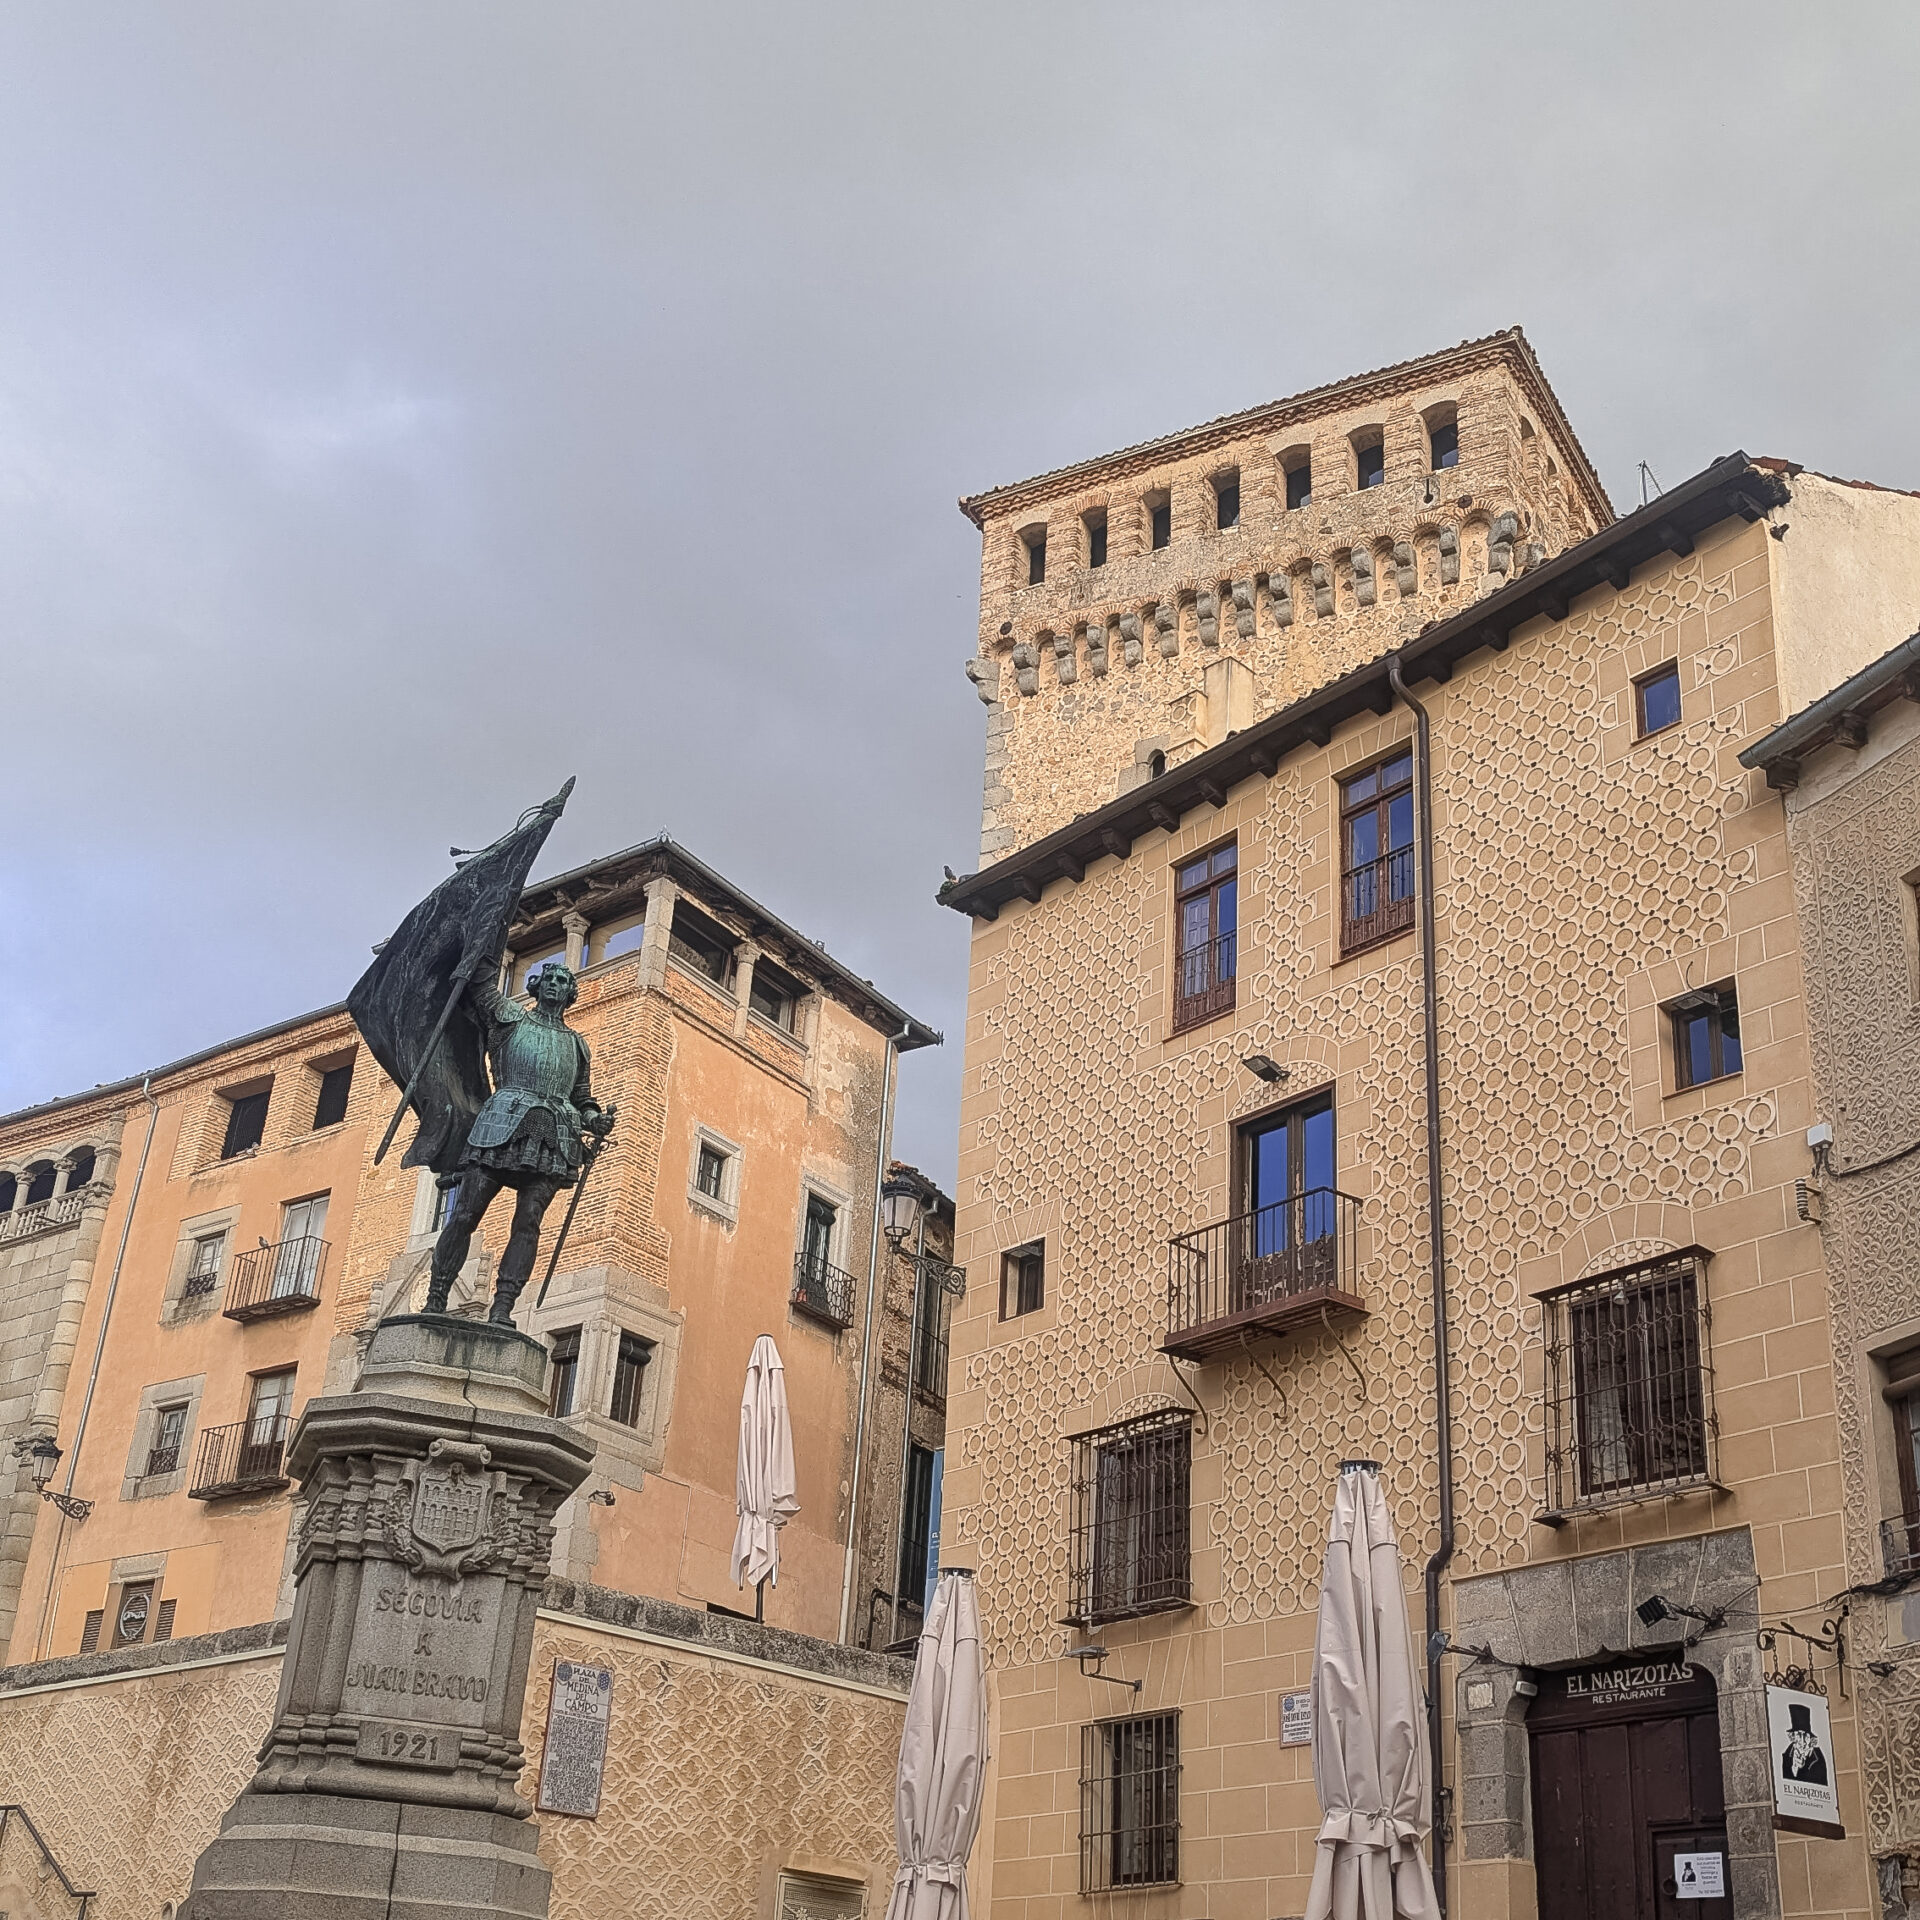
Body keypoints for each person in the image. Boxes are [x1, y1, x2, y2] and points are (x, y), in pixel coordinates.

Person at [424, 960, 611, 1326]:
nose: (556, 985)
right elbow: (478, 988)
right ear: (537, 986)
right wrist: (485, 944)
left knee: (528, 1222)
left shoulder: (577, 1045)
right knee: (465, 1213)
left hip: (554, 1133)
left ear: (571, 993)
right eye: (550, 979)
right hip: (501, 1122)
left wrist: (594, 1119)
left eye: (563, 981)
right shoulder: (510, 1016)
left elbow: (582, 1097)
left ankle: (503, 1307)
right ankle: (436, 1296)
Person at [1780, 1701, 1828, 1785]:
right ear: (1793, 1737)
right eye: (1798, 1734)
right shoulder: (1787, 1756)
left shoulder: (1818, 1758)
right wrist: (1794, 1768)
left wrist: (1802, 1768)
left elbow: (1819, 1785)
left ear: (1811, 1738)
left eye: (1806, 1736)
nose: (1802, 1741)